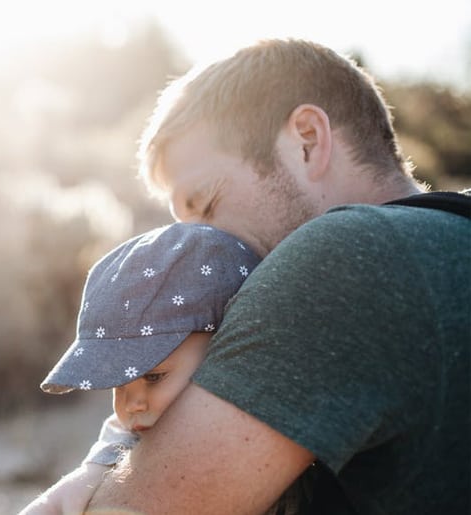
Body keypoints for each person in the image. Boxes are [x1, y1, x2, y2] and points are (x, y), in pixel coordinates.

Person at [78, 38, 470, 514]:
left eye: (207, 204)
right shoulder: (449, 236)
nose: (194, 251)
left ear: (307, 140)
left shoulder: (341, 257)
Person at [19, 222, 272, 515]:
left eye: (154, 376)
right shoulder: (134, 437)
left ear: (226, 347)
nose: (132, 405)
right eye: (119, 383)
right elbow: (78, 485)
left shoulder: (267, 420)